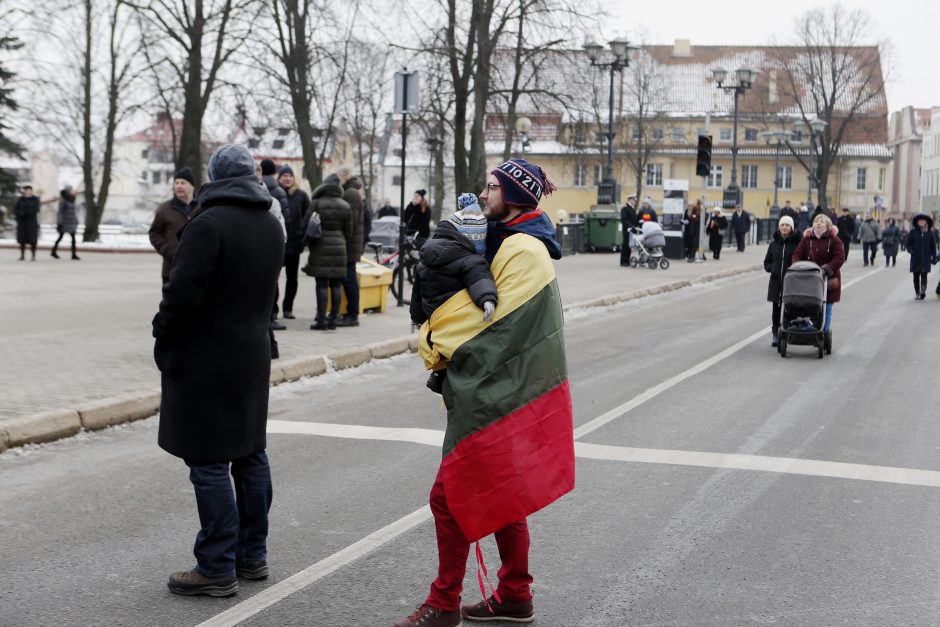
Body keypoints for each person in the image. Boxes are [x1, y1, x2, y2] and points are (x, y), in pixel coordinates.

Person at [396, 159, 573, 627]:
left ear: (513, 197)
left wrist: (434, 342)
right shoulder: (505, 241)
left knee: (449, 497)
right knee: (503, 494)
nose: (485, 192)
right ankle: (516, 595)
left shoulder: (522, 249)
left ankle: (444, 604)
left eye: (493, 187)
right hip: (501, 390)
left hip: (504, 394)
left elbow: (491, 324)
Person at [152, 144, 283, 598]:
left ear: (213, 177)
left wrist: (162, 337)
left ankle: (216, 564)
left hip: (209, 358)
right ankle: (252, 555)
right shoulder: (270, 223)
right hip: (251, 353)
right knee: (249, 454)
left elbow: (181, 297)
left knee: (208, 460)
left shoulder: (207, 224)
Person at [409, 192, 497, 393]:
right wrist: (487, 299)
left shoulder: (425, 260)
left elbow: (416, 295)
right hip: (455, 316)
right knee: (464, 345)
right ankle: (450, 376)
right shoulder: (472, 261)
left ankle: (439, 374)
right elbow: (479, 280)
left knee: (442, 345)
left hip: (434, 316)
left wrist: (416, 318)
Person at [301, 171, 351, 330]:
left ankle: (321, 321)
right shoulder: (345, 205)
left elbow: (305, 225)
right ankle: (333, 320)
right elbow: (349, 232)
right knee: (336, 285)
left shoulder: (316, 203)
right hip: (339, 247)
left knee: (321, 284)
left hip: (320, 246)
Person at [792, 214, 845, 343]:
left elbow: (839, 257)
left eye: (822, 222)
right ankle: (810, 328)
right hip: (809, 278)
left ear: (827, 225)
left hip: (828, 278)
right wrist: (798, 266)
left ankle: (824, 333)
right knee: (810, 305)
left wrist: (828, 268)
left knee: (826, 308)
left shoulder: (834, 240)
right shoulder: (806, 240)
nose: (818, 223)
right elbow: (797, 254)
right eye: (816, 221)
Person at [149, 167, 199, 284]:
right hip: (171, 270)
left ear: (192, 186)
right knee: (172, 302)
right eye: (176, 183)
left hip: (198, 269)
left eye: (183, 183)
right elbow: (154, 233)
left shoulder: (203, 207)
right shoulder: (165, 209)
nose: (179, 186)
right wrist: (168, 250)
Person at [259, 160, 289, 330]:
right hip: (273, 249)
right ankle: (272, 316)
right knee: (272, 284)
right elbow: (284, 223)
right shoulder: (277, 194)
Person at [763, 215, 802, 347]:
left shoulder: (797, 244)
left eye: (787, 225)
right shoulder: (774, 245)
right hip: (776, 282)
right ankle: (775, 333)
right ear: (779, 227)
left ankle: (787, 331)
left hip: (791, 282)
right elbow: (766, 262)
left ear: (791, 228)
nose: (784, 227)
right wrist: (772, 269)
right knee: (776, 309)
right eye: (782, 225)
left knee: (790, 308)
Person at [277, 165, 310, 319]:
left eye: (290, 175)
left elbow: (308, 216)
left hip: (295, 243)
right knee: (274, 278)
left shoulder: (301, 195)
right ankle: (273, 310)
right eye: (285, 176)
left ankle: (288, 308)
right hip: (278, 244)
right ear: (279, 178)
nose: (288, 178)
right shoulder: (274, 194)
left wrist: (302, 236)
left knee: (292, 279)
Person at [337, 176, 366, 327]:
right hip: (351, 243)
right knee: (349, 279)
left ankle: (352, 314)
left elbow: (351, 220)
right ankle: (351, 313)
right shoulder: (352, 191)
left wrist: (344, 238)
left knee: (349, 279)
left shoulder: (350, 193)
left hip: (349, 244)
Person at [905, 214, 937, 300]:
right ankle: (917, 292)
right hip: (916, 258)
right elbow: (908, 244)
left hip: (926, 259)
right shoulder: (913, 232)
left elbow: (933, 246)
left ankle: (923, 291)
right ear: (917, 222)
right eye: (920, 220)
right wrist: (911, 250)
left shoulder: (930, 232)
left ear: (926, 221)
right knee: (916, 276)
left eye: (923, 220)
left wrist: (934, 256)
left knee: (924, 276)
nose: (922, 221)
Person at [51, 186, 80, 260]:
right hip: (64, 223)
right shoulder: (63, 200)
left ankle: (73, 254)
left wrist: (76, 221)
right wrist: (60, 223)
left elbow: (74, 212)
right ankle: (54, 252)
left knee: (73, 239)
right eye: (72, 190)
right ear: (68, 192)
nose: (73, 191)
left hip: (71, 222)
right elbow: (60, 212)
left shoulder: (72, 199)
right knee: (60, 237)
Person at [14, 185, 40, 261]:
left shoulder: (35, 199)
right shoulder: (20, 199)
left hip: (31, 222)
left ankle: (33, 255)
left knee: (32, 240)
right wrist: (20, 214)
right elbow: (16, 209)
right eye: (26, 190)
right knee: (22, 239)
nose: (28, 192)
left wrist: (28, 213)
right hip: (22, 222)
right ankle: (22, 255)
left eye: (29, 190)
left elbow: (37, 209)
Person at [619, 194, 638, 266]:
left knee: (630, 246)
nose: (635, 201)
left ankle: (627, 260)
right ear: (630, 200)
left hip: (632, 230)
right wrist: (631, 226)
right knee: (625, 245)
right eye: (634, 200)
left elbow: (634, 219)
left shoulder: (632, 209)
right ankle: (623, 262)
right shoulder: (625, 208)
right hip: (627, 230)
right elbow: (624, 219)